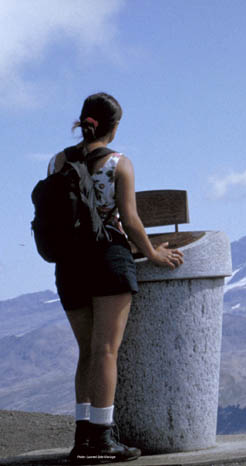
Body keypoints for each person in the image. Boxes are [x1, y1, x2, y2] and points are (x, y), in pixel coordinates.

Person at [47, 92, 184, 464]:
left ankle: (82, 440)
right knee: (106, 351)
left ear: (82, 121)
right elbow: (130, 219)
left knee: (86, 352)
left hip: (68, 266)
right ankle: (103, 440)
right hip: (108, 260)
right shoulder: (119, 164)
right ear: (115, 127)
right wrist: (154, 253)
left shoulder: (58, 162)